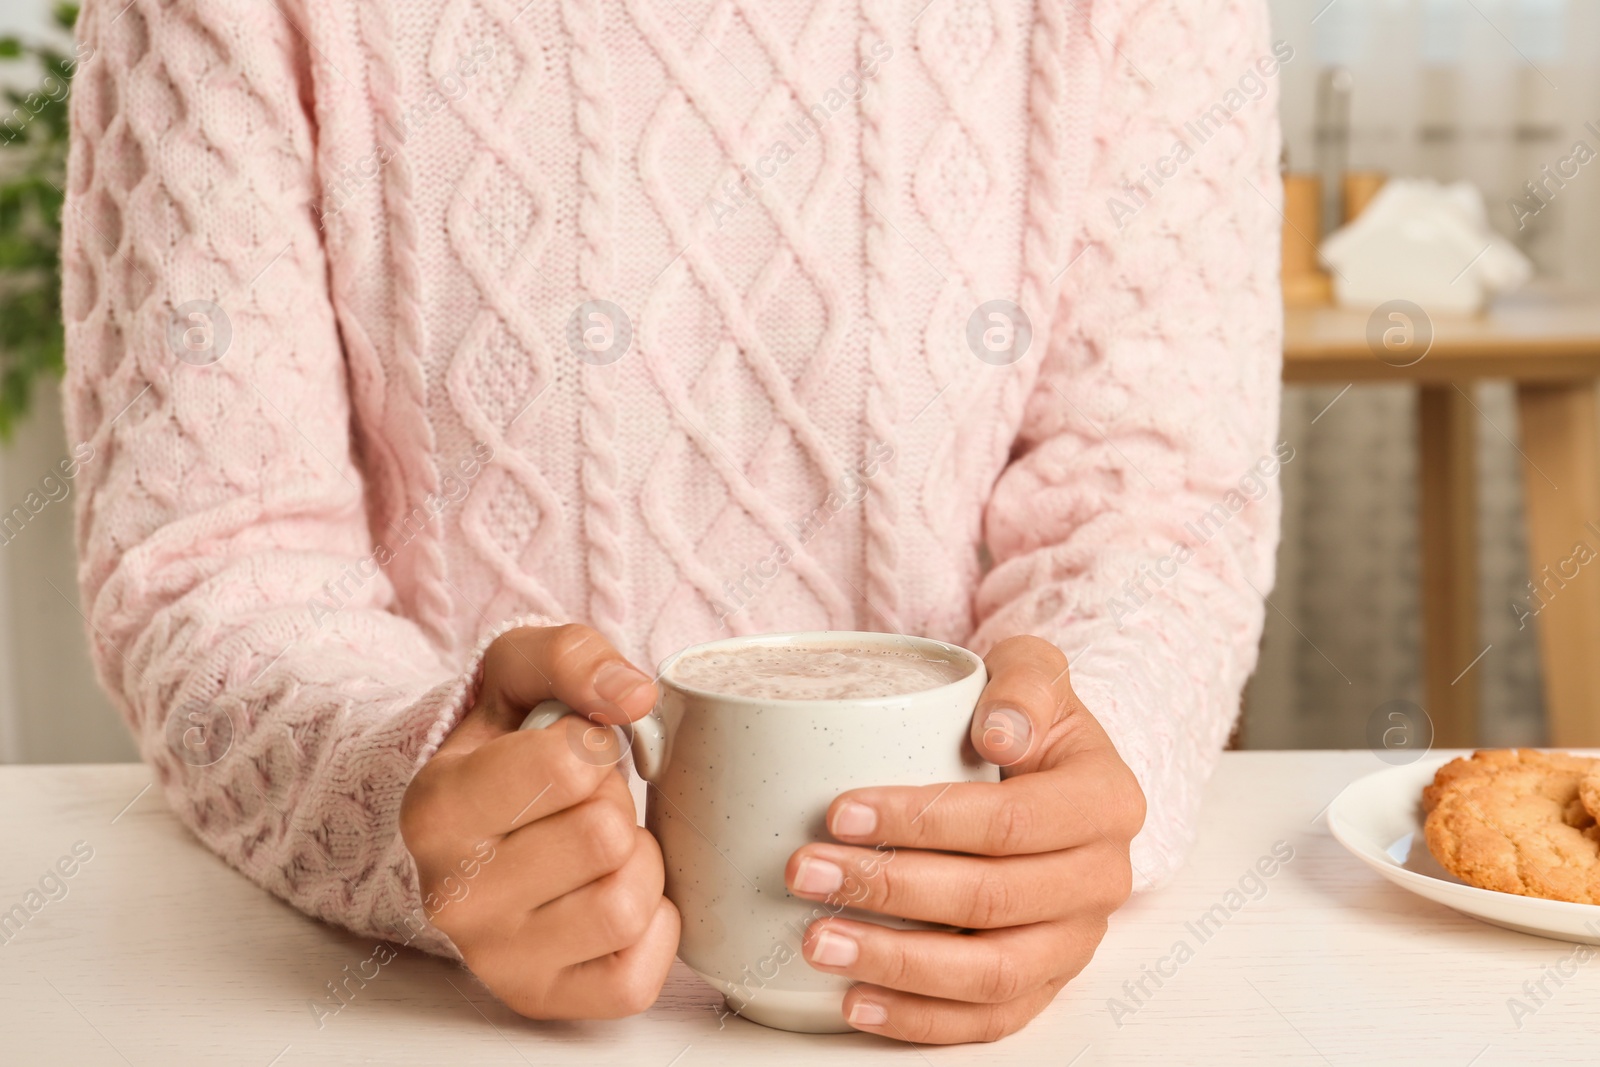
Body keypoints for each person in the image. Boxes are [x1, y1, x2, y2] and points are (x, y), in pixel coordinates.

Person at [61, 0, 1282, 1045]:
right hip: (437, 1023)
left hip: (982, 1022)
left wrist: (1075, 773)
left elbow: (1154, 494)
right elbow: (212, 553)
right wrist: (406, 785)